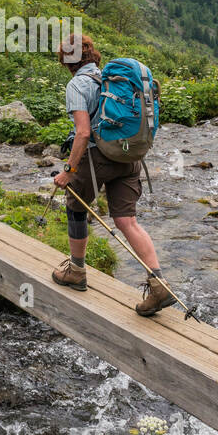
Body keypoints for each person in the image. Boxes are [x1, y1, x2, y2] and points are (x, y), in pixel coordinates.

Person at [51, 34, 173, 316]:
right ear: (92, 55)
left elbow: (82, 133)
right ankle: (158, 283)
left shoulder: (77, 84)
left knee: (76, 209)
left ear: (67, 62)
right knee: (127, 220)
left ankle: (76, 272)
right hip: (130, 157)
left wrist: (68, 170)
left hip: (98, 157)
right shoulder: (111, 78)